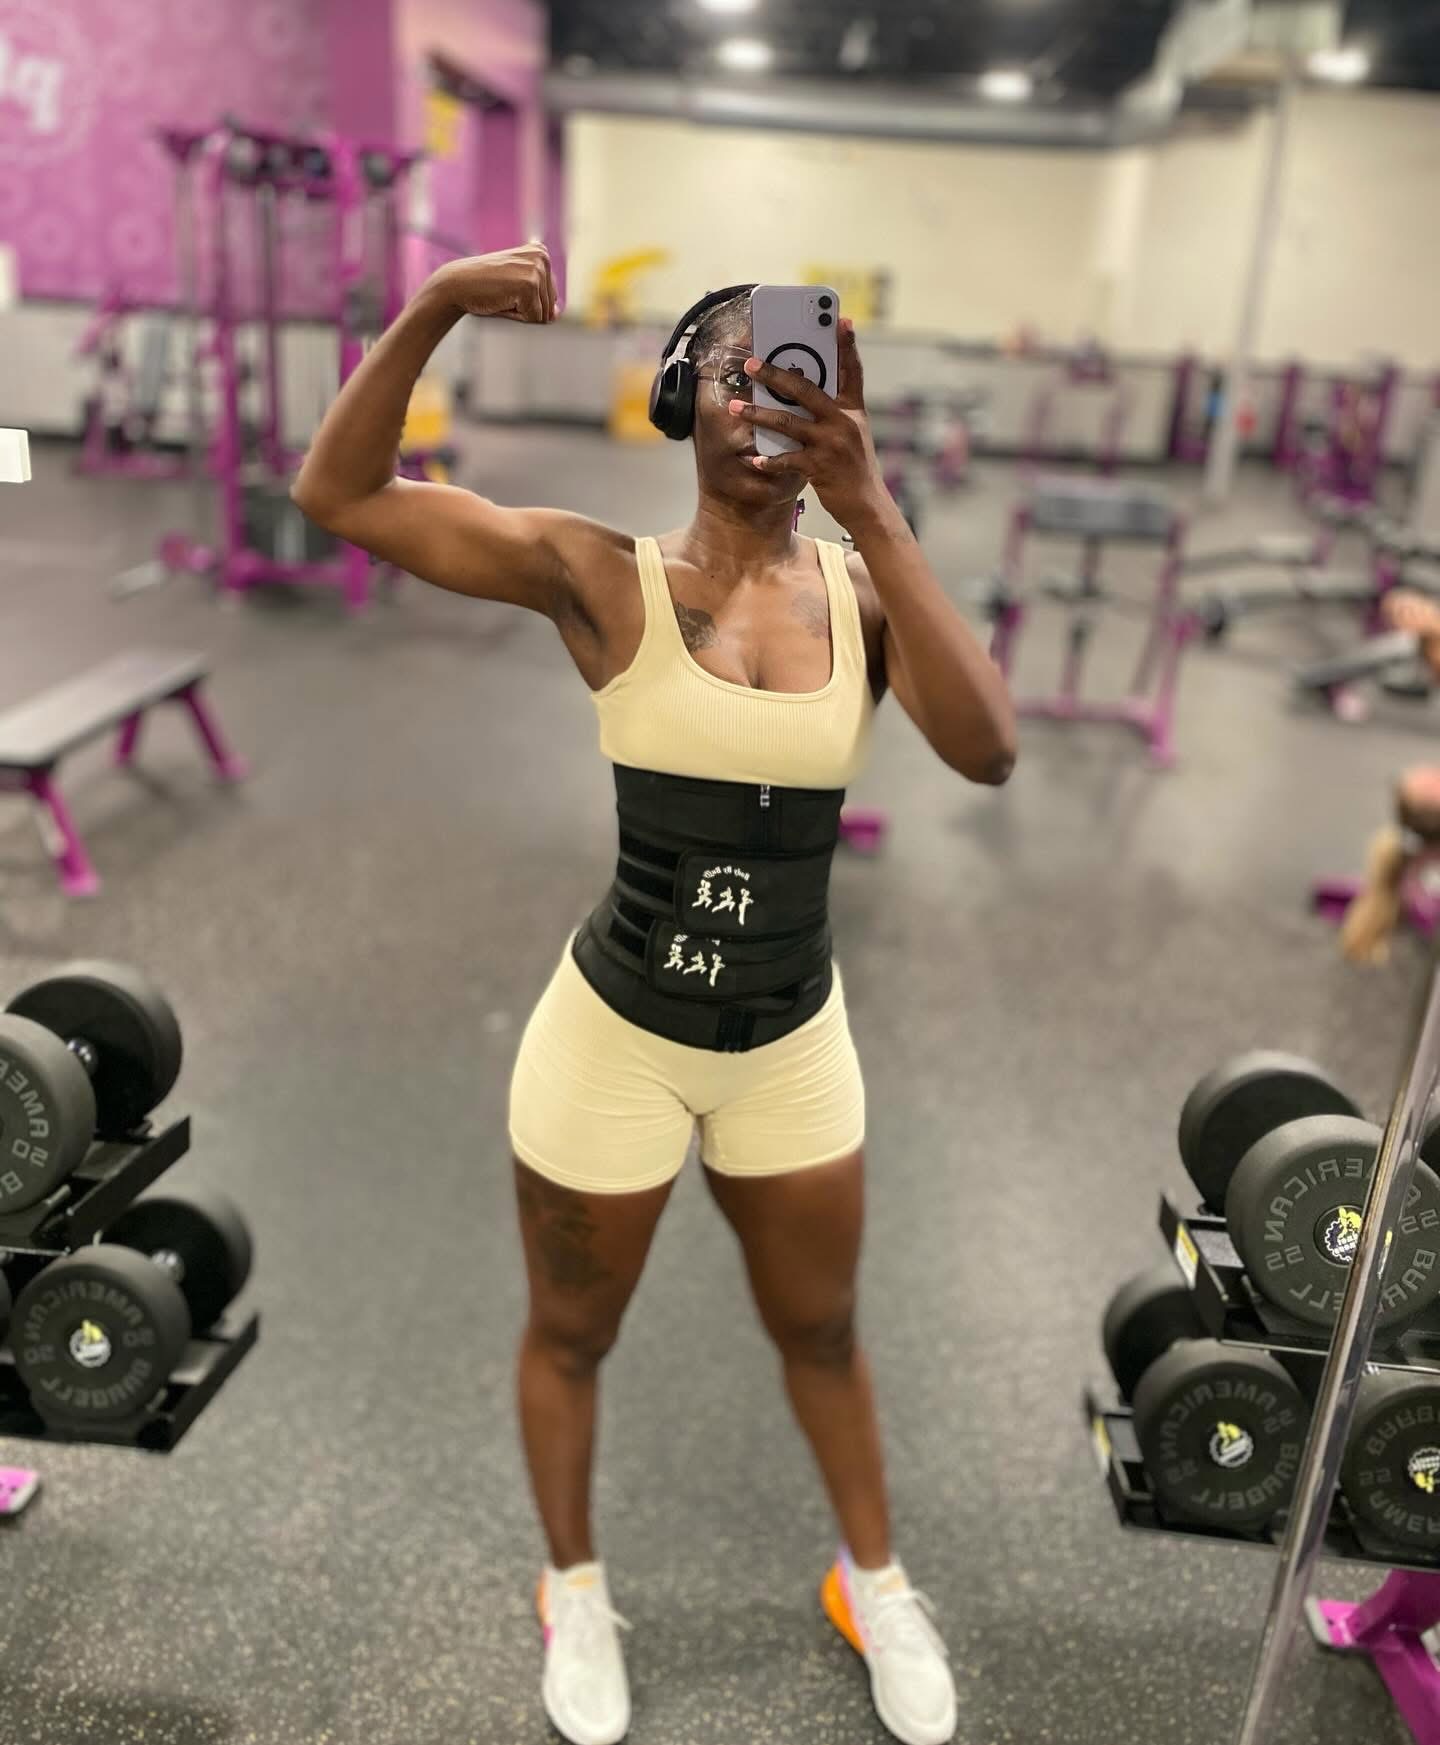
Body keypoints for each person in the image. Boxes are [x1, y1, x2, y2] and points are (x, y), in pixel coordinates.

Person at [293, 245, 1017, 1745]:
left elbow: (990, 749)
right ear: (683, 398)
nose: (768, 402)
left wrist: (874, 505)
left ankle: (873, 1580)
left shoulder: (866, 595)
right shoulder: (597, 577)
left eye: (799, 374)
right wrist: (434, 306)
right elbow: (340, 496)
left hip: (790, 1046)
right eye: (740, 372)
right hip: (612, 1043)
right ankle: (573, 1585)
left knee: (824, 1331)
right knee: (573, 1335)